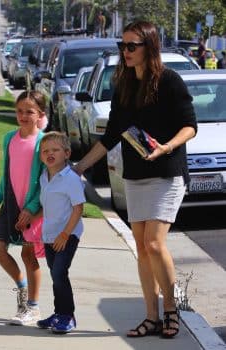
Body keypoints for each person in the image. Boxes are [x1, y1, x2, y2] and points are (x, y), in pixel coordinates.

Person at [74, 21, 197, 338]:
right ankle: (151, 316)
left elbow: (189, 126)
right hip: (136, 173)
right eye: (122, 46)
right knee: (142, 249)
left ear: (149, 47)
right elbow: (112, 134)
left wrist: (167, 146)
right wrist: (80, 167)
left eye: (131, 46)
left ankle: (171, 311)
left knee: (155, 244)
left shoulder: (169, 81)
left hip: (167, 172)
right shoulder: (125, 86)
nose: (125, 52)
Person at [0, 90, 47, 326]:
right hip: (11, 203)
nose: (23, 116)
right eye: (20, 111)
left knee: (28, 255)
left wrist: (33, 208)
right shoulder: (9, 138)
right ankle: (22, 289)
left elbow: (46, 180)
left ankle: (33, 308)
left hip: (32, 208)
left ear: (40, 114)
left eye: (29, 112)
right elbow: (6, 172)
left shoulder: (44, 141)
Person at [36, 131, 86, 334]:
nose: (50, 153)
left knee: (59, 273)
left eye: (55, 150)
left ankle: (68, 316)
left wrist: (65, 234)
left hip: (68, 235)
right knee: (55, 274)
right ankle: (58, 313)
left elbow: (78, 208)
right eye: (45, 151)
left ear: (66, 153)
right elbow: (47, 206)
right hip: (50, 235)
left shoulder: (70, 179)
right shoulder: (44, 177)